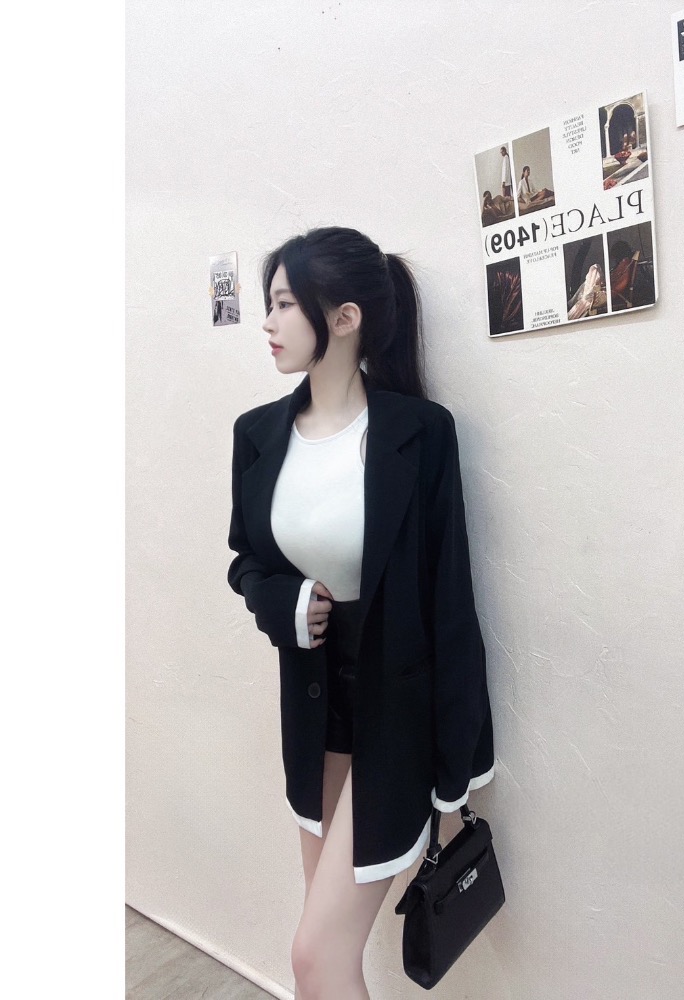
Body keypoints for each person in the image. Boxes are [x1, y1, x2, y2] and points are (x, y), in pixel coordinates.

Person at [227, 226, 495, 1000]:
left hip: (398, 720)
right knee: (327, 959)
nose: (267, 323)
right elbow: (248, 561)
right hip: (314, 714)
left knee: (314, 956)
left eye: (284, 304)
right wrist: (282, 602)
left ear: (344, 318)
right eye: (269, 304)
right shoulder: (257, 434)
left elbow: (450, 603)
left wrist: (457, 774)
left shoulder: (419, 432)